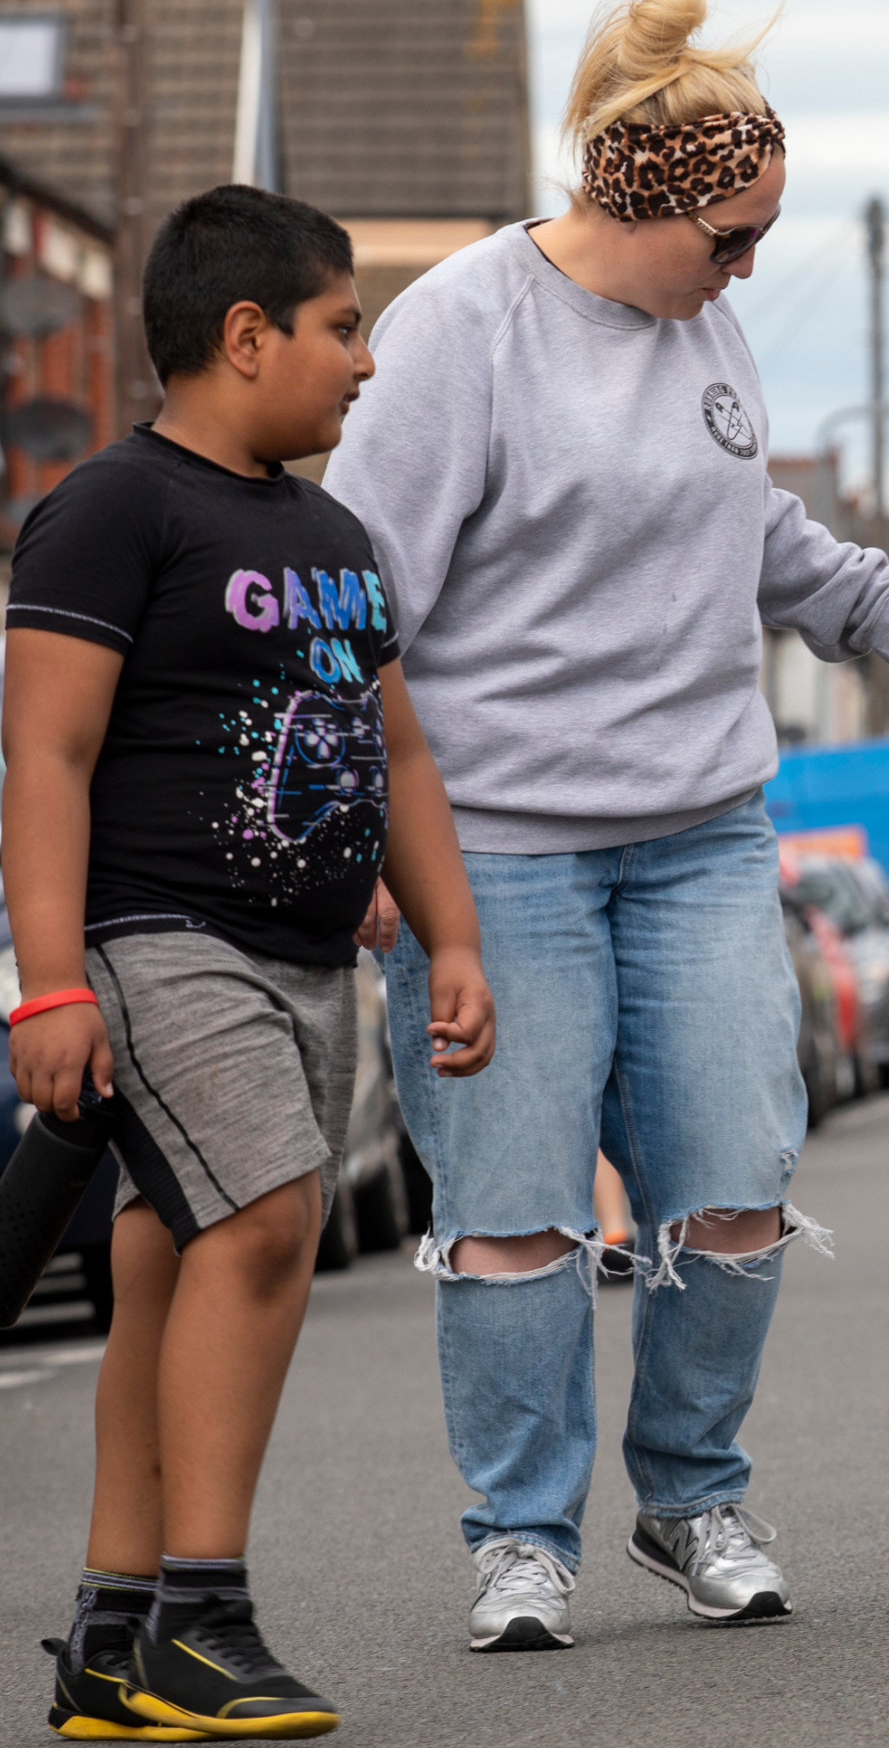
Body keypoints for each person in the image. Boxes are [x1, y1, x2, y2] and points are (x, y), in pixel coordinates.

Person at [324, 0, 889, 1650]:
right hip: (499, 850)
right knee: (520, 1212)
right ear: (645, 202)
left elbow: (750, 536)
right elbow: (348, 605)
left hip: (699, 833)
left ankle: (689, 1496)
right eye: (737, 237)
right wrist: (363, 848)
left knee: (735, 1187)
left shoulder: (710, 333)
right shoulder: (464, 328)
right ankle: (521, 1538)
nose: (751, 266)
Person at [10, 185, 495, 1740]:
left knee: (168, 1258)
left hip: (305, 960)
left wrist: (450, 933)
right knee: (277, 1216)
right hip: (159, 941)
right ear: (245, 335)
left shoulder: (336, 538)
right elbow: (46, 753)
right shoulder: (113, 508)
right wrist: (52, 984)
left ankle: (114, 1628)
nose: (363, 364)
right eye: (344, 329)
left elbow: (397, 753)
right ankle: (202, 1622)